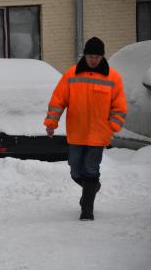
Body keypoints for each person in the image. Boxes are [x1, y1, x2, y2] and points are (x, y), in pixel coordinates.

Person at [44, 37, 127, 221]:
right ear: (85, 55)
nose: (93, 60)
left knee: (91, 169)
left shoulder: (113, 77)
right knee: (75, 170)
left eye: (97, 57)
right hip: (77, 132)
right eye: (90, 56)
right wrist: (51, 123)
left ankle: (87, 209)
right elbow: (58, 101)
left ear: (102, 57)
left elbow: (119, 106)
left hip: (99, 133)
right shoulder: (71, 74)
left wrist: (113, 125)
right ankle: (92, 188)